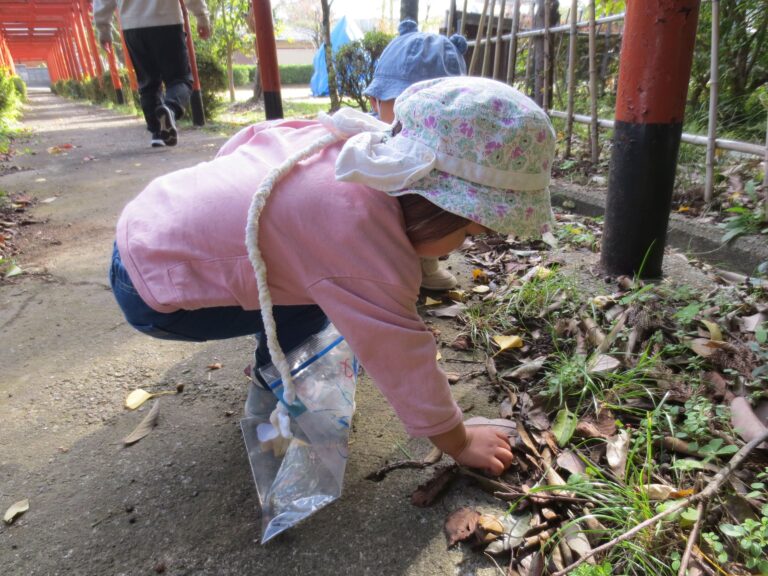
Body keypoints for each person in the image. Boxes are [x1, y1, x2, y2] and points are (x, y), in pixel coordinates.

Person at [109, 76, 555, 475]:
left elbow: (252, 139)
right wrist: (458, 441)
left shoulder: (352, 140)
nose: (465, 245)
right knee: (314, 312)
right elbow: (400, 354)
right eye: (468, 230)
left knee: (311, 283)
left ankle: (275, 348)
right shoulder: (363, 242)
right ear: (436, 210)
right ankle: (281, 387)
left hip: (143, 224)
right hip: (154, 292)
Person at [364, 19, 468, 291]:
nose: (412, 119)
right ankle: (381, 271)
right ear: (375, 100)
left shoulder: (448, 146)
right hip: (373, 234)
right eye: (400, 104)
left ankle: (425, 265)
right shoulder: (368, 136)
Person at [93, 0, 211, 148]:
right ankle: (170, 109)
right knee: (180, 79)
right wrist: (201, 17)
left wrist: (103, 30)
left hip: (132, 27)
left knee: (148, 82)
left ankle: (157, 133)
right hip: (168, 22)